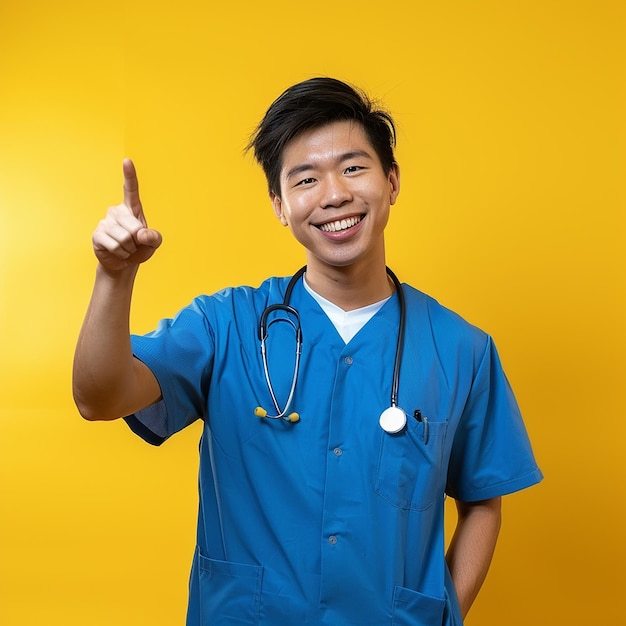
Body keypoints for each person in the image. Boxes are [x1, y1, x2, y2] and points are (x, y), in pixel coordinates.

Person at [73, 77, 542, 626]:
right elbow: (98, 397)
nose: (334, 194)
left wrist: (447, 611)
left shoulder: (462, 350)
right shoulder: (226, 326)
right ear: (280, 204)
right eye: (305, 178)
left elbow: (483, 498)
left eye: (353, 167)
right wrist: (114, 276)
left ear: (391, 182)